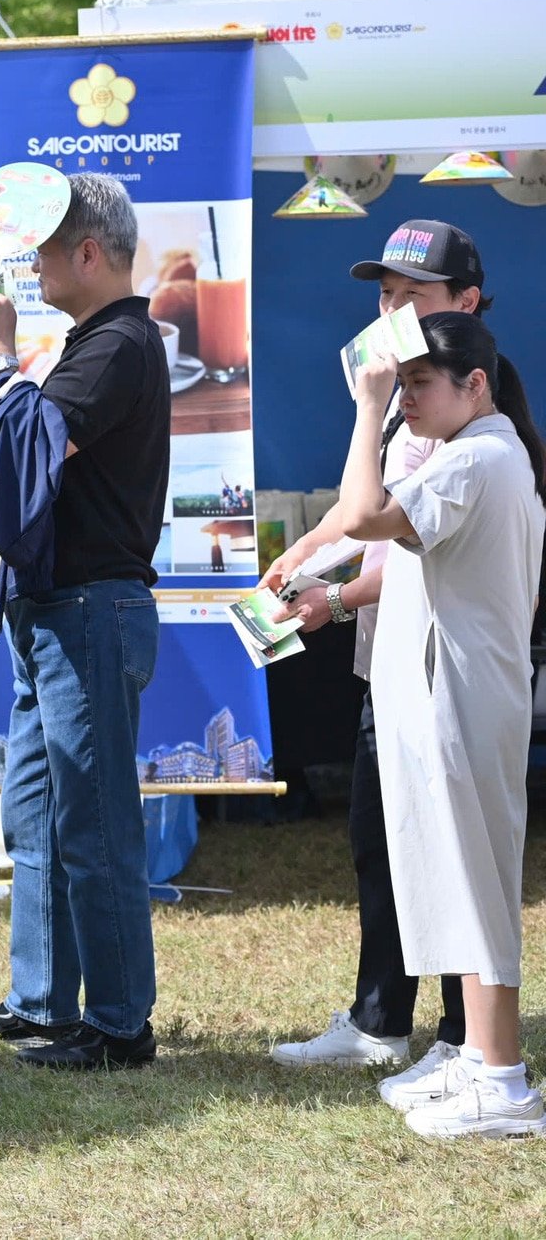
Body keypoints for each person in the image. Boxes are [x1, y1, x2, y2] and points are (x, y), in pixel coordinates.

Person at [262, 220, 488, 1082]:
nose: (390, 311)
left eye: (411, 296)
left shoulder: (464, 405)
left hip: (435, 668)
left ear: (464, 303)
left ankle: (464, 1035)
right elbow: (361, 514)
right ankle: (384, 1015)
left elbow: (418, 550)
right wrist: (300, 557)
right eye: (384, 295)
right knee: (378, 839)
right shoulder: (405, 395)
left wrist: (331, 596)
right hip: (384, 664)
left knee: (439, 849)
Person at [0, 173, 170, 1071]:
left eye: (44, 247)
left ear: (89, 252)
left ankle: (120, 1023)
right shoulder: (96, 342)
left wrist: (4, 361)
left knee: (92, 819)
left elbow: (22, 453)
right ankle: (43, 1001)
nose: (30, 264)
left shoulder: (118, 344)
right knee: (36, 814)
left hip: (88, 608)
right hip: (54, 609)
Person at [336, 312, 545, 1139]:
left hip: (468, 697)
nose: (408, 398)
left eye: (422, 383)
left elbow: (361, 517)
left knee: (477, 880)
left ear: (476, 385)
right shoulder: (482, 455)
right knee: (458, 873)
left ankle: (504, 1079)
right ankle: (477, 1059)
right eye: (405, 382)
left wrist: (368, 406)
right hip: (462, 694)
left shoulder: (481, 459)